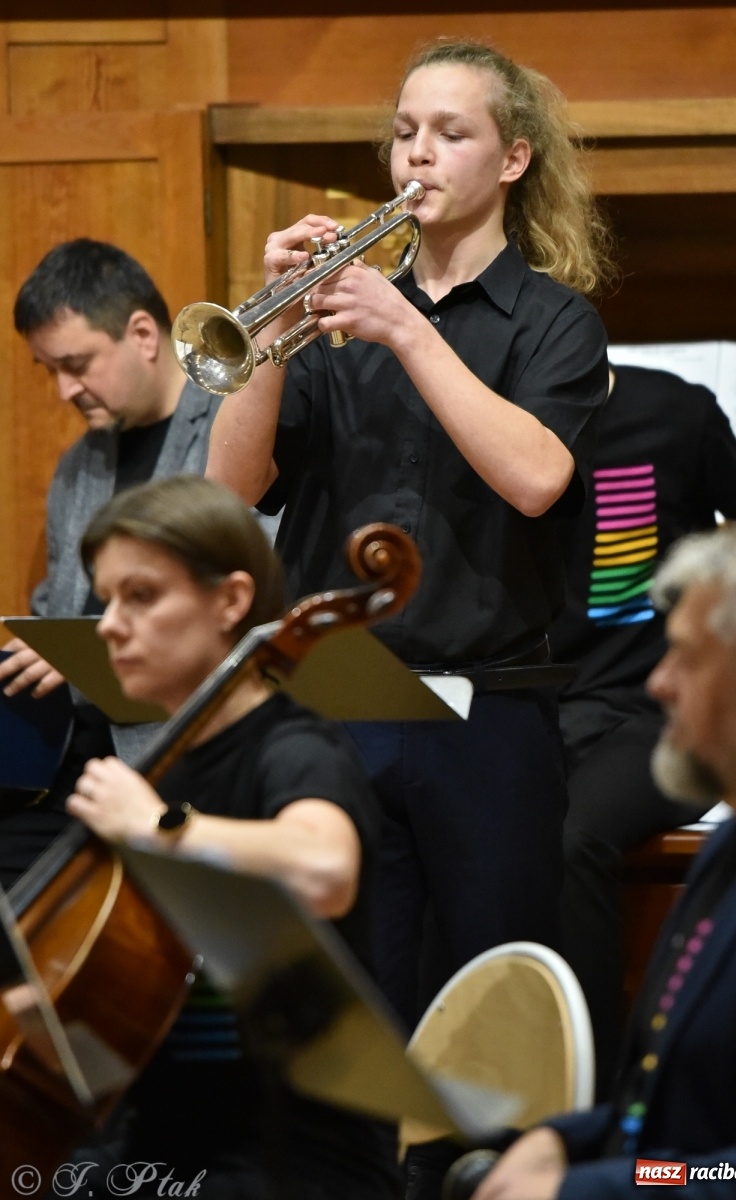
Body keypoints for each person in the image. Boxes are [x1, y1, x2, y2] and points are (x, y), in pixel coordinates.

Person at [206, 39, 612, 1041]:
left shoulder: (553, 323)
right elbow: (230, 486)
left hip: (486, 720)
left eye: (448, 133)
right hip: (335, 705)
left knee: (492, 1009)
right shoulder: (340, 318)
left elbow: (534, 479)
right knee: (342, 1017)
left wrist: (406, 329)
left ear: (511, 160)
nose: (414, 157)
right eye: (401, 134)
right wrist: (269, 335)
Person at [59, 474, 397, 1200]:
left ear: (232, 601)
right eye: (107, 597)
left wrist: (153, 827)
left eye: (141, 596)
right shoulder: (164, 768)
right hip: (169, 1137)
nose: (109, 624)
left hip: (289, 1155)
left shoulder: (292, 749)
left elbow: (324, 870)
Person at [468, 522, 736, 1200]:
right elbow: (670, 1113)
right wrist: (565, 1137)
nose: (659, 683)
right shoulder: (733, 846)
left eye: (687, 658)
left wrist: (587, 1189)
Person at [549, 363, 736, 1099]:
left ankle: (598, 1098)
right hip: (532, 709)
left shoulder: (673, 412)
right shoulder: (495, 418)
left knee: (575, 836)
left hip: (656, 713)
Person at [0, 239, 233, 890]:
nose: (63, 389)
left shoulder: (233, 439)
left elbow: (231, 620)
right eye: (50, 369)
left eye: (75, 364)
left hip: (176, 763)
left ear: (142, 334)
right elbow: (55, 613)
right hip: (70, 765)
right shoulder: (81, 465)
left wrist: (77, 656)